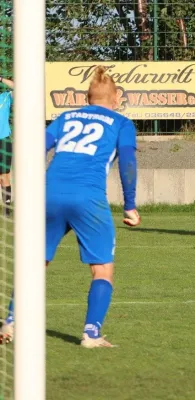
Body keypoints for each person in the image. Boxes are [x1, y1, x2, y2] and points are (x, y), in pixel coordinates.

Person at [0, 66, 141, 348]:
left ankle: (12, 321)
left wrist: (23, 180)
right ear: (115, 99)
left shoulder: (66, 117)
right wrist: (130, 205)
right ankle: (91, 333)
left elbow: (36, 146)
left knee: (35, 264)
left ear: (88, 98)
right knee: (102, 270)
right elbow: (127, 162)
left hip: (48, 194)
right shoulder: (121, 123)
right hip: (88, 197)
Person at [0, 75, 14, 216]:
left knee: (4, 176)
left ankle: (6, 209)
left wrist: (1, 78)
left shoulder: (5, 97)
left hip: (3, 140)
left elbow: (20, 88)